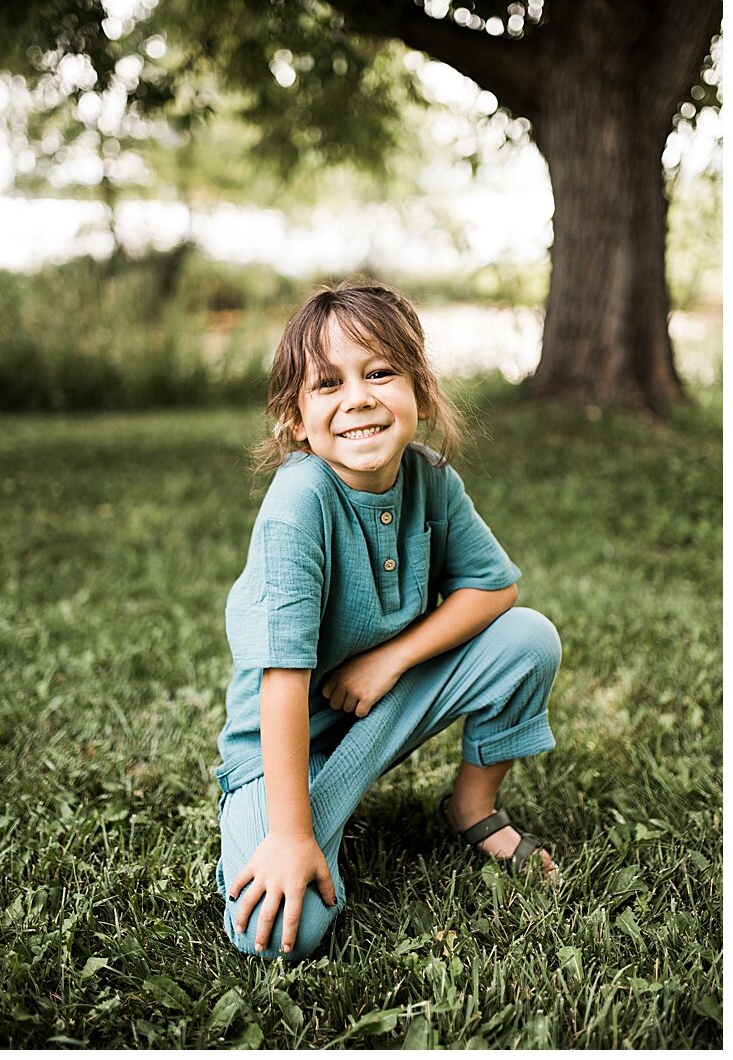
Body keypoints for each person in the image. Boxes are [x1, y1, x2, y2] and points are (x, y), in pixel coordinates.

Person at [213, 283, 560, 961]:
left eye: (380, 373)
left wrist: (391, 657)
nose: (359, 397)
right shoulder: (298, 504)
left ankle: (471, 808)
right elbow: (280, 682)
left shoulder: (430, 479)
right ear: (294, 419)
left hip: (379, 709)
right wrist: (289, 836)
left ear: (421, 393)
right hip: (283, 745)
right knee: (276, 936)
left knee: (528, 638)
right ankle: (290, 816)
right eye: (328, 383)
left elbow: (496, 588)